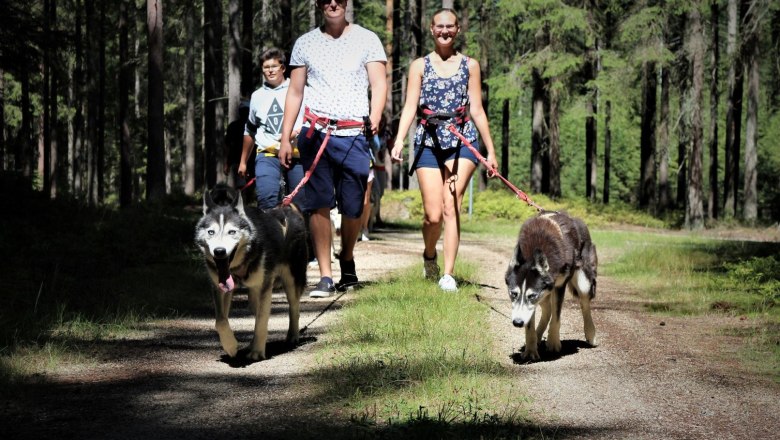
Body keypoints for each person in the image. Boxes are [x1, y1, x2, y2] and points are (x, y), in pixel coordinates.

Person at [279, 0, 387, 298]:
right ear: (318, 4)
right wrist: (286, 137)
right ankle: (325, 276)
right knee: (319, 203)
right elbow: (295, 92)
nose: (333, 3)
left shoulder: (367, 39)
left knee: (354, 205)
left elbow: (379, 84)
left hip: (354, 134)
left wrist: (375, 116)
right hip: (316, 133)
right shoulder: (305, 43)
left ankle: (347, 257)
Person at [390, 8, 498, 292]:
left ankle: (448, 275)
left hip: (462, 140)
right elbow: (410, 107)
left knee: (452, 205)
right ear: (431, 29)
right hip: (428, 141)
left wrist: (490, 151)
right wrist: (399, 139)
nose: (445, 31)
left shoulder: (470, 66)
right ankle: (430, 257)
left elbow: (477, 109)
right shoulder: (419, 66)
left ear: (458, 29)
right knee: (433, 215)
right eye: (440, 26)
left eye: (450, 26)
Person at [238, 48, 305, 210]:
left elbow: (311, 122)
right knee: (266, 200)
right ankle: (270, 226)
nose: (270, 70)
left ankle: (299, 226)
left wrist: (295, 133)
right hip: (267, 154)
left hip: (296, 155)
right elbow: (250, 130)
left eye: (274, 66)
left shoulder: (299, 90)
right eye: (266, 67)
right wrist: (243, 162)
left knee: (299, 204)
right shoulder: (257, 96)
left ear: (283, 68)